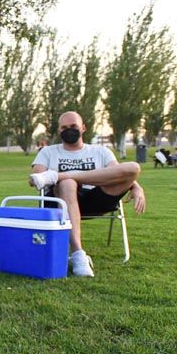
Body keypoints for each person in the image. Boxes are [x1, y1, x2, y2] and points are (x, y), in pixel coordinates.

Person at [29, 111, 147, 277]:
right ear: (58, 131)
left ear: (83, 128)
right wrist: (58, 179)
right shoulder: (48, 151)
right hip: (60, 202)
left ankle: (60, 175)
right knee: (68, 183)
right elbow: (35, 179)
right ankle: (78, 254)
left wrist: (136, 187)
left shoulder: (101, 151)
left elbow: (122, 173)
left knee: (134, 167)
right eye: (64, 127)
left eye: (73, 126)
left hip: (96, 199)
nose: (68, 130)